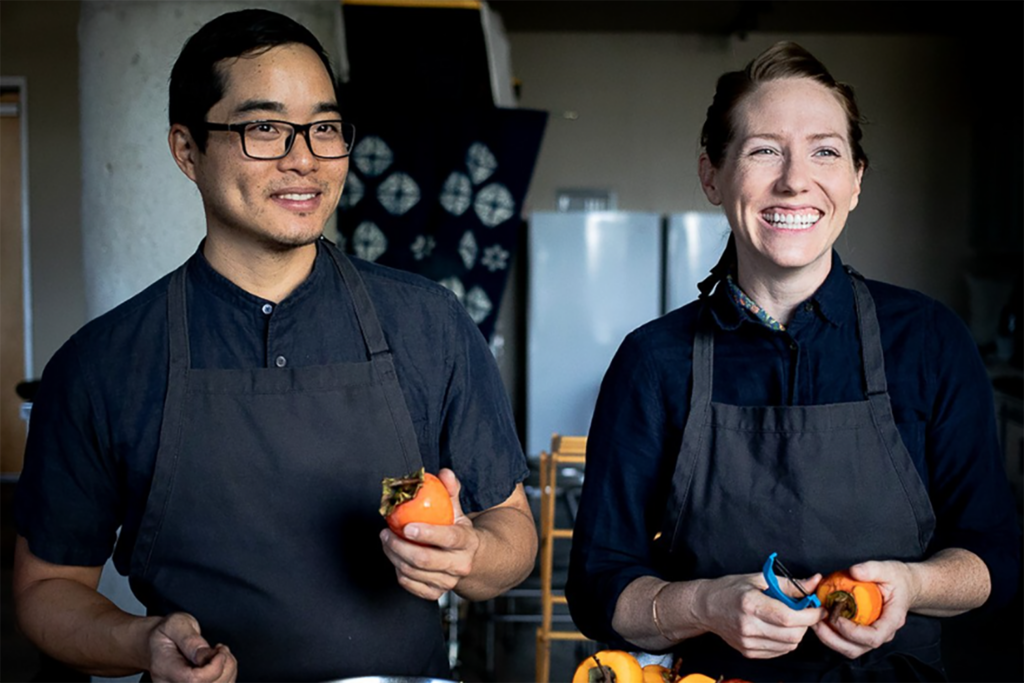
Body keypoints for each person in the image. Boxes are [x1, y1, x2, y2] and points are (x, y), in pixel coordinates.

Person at [12, 9, 536, 683]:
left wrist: (471, 554)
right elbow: (45, 588)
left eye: (324, 127)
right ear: (186, 149)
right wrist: (141, 640)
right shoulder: (102, 364)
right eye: (264, 127)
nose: (305, 158)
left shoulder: (428, 323)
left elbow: (514, 531)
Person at [566, 42, 1018, 682]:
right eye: (763, 150)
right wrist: (703, 604)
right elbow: (599, 589)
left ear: (855, 180)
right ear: (712, 176)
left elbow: (994, 556)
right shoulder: (653, 362)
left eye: (825, 151)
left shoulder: (928, 340)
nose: (795, 179)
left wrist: (913, 586)